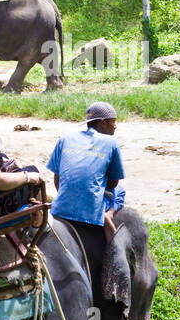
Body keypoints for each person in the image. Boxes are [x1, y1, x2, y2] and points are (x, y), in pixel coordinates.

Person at [47, 101, 126, 240]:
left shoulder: (65, 138)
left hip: (59, 208)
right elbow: (113, 184)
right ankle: (109, 219)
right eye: (113, 122)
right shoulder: (111, 143)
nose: (115, 126)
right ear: (102, 123)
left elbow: (57, 179)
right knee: (119, 190)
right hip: (91, 213)